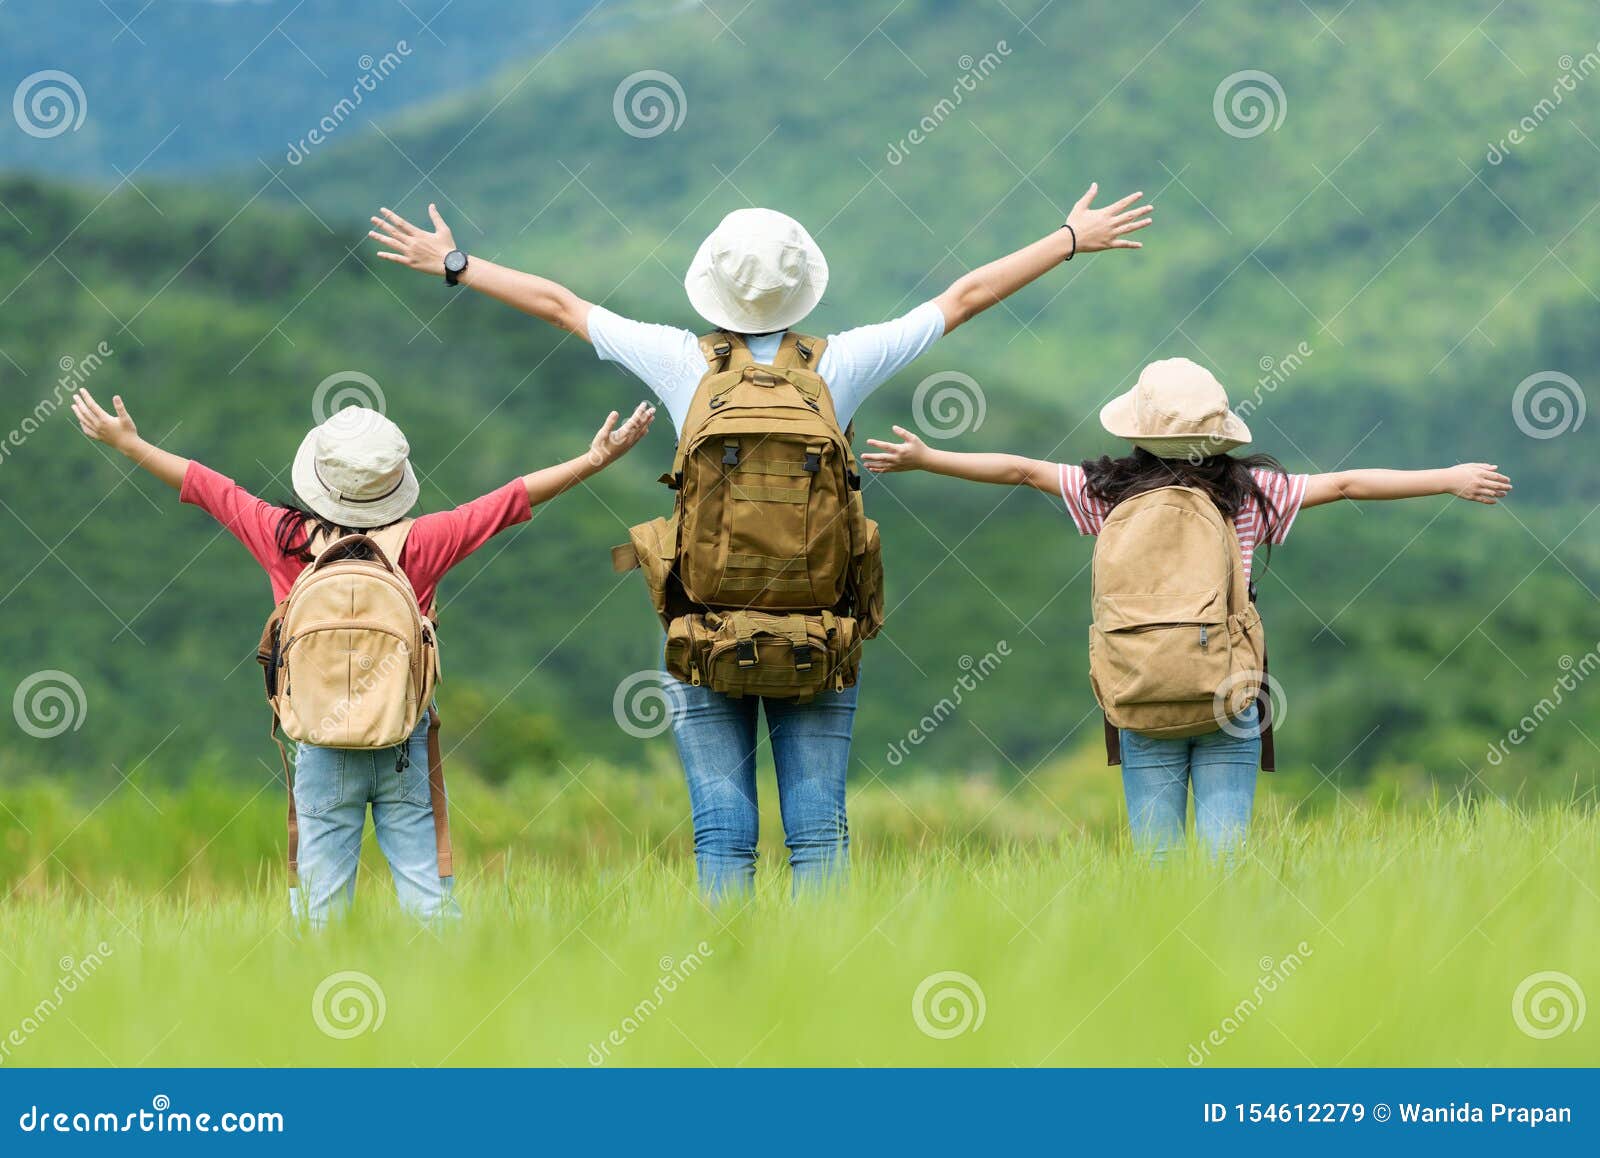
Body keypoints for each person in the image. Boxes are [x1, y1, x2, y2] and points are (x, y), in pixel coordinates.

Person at [369, 185, 1152, 897]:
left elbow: (560, 305)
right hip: (821, 632)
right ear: (801, 284)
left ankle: (726, 1002)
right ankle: (823, 1002)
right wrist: (1069, 238)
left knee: (722, 837)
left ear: (711, 287)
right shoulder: (841, 363)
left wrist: (455, 262)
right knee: (818, 834)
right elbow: (966, 296)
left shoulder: (682, 363)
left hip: (702, 629)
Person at [861, 356, 1512, 859]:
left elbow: (1023, 471)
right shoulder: (1254, 494)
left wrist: (928, 458)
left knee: (1157, 864)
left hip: (1142, 688)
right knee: (1223, 860)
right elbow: (1346, 484)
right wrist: (1449, 478)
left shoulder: (1106, 492)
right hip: (1229, 689)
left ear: (1139, 432)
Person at [70, 387, 654, 921]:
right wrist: (593, 459)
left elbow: (208, 487)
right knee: (428, 902)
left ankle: (318, 1021)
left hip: (320, 743)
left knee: (321, 913)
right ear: (393, 484)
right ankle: (450, 1016)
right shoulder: (424, 541)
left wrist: (130, 443)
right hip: (402, 736)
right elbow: (511, 500)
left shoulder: (284, 536)